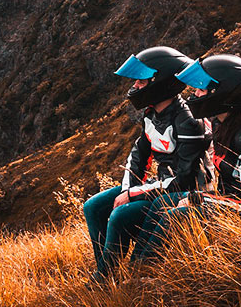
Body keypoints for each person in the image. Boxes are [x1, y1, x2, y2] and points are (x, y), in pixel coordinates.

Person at [131, 54, 241, 261]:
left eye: (201, 90)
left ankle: (145, 267)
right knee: (164, 203)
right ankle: (138, 264)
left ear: (223, 93)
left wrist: (201, 199)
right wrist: (203, 198)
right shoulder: (221, 124)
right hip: (232, 203)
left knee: (173, 215)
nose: (195, 94)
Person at [82, 46, 212, 284]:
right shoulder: (151, 114)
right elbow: (138, 155)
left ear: (161, 82)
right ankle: (106, 272)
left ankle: (105, 278)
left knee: (120, 214)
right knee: (93, 206)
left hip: (181, 191)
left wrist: (134, 194)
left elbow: (185, 179)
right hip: (159, 186)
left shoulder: (188, 121)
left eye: (141, 81)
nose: (135, 86)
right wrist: (127, 189)